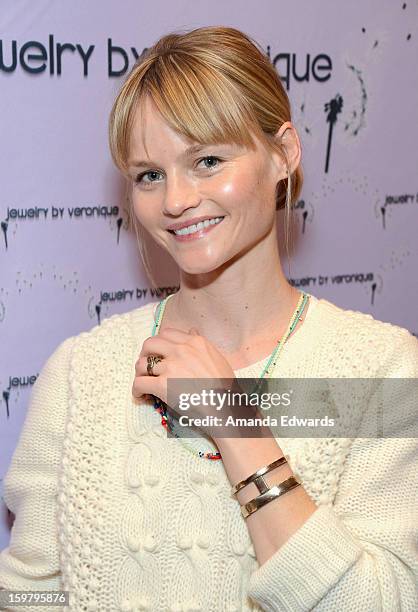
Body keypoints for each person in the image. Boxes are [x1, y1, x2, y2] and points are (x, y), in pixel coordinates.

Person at [1, 25, 417, 612]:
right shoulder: (83, 371)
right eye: (150, 174)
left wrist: (234, 421)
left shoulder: (380, 373)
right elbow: (28, 593)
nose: (174, 201)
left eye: (207, 160)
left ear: (284, 154)